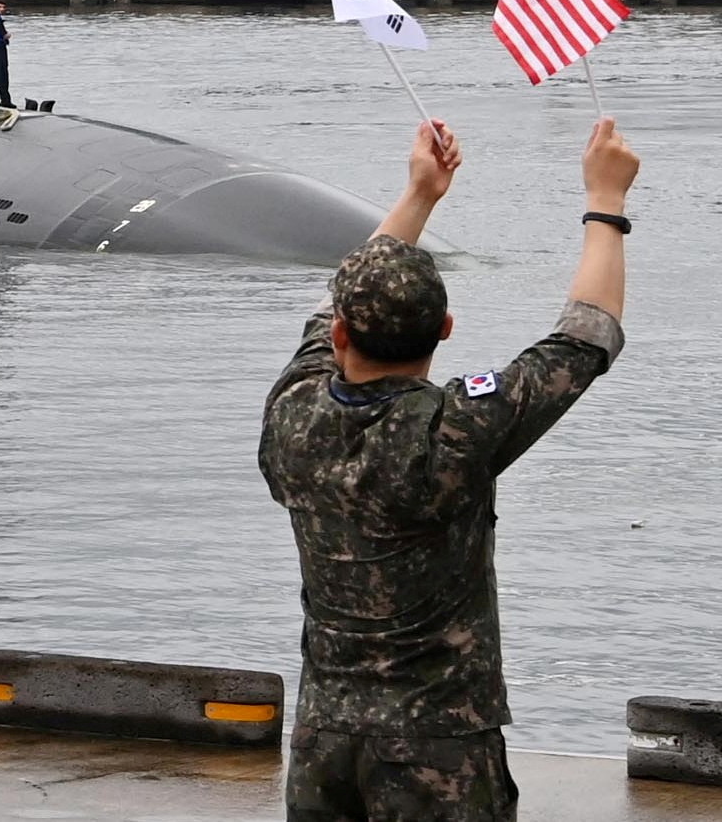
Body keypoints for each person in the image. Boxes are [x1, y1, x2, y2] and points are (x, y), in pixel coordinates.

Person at [263, 118, 637, 822]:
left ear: (340, 334)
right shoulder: (457, 429)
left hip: (325, 740)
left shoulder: (293, 411)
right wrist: (606, 200)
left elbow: (331, 306)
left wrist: (418, 196)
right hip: (440, 746)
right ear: (445, 329)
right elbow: (586, 335)